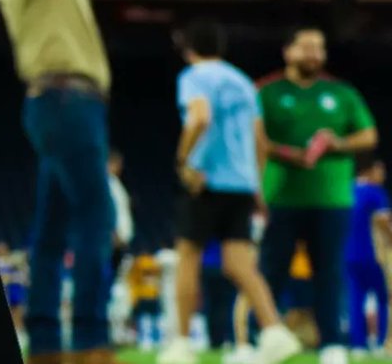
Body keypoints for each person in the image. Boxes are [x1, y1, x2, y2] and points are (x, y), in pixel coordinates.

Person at [0, 0, 177, 364]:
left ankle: (46, 342)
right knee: (96, 216)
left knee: (51, 229)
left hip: (67, 104)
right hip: (66, 100)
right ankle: (93, 338)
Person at [159, 20, 301, 364]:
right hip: (242, 183)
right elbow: (260, 140)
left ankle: (180, 345)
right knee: (240, 264)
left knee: (188, 258)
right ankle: (274, 332)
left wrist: (183, 160)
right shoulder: (242, 82)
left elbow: (200, 118)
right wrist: (257, 184)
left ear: (188, 50)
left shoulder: (194, 77)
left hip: (207, 180)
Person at [258, 27, 377, 364]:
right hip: (280, 198)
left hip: (332, 200)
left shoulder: (341, 93)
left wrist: (338, 143)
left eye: (319, 48)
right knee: (271, 272)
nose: (314, 54)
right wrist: (287, 153)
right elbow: (254, 139)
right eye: (306, 47)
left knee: (329, 273)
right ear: (288, 51)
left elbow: (369, 135)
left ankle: (332, 346)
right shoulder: (267, 92)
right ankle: (263, 340)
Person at [346, 154, 392, 352]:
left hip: (348, 255)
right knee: (383, 298)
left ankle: (358, 344)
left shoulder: (346, 190)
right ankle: (382, 342)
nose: (383, 176)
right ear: (369, 170)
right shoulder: (376, 193)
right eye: (381, 171)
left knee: (355, 298)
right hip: (374, 255)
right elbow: (383, 221)